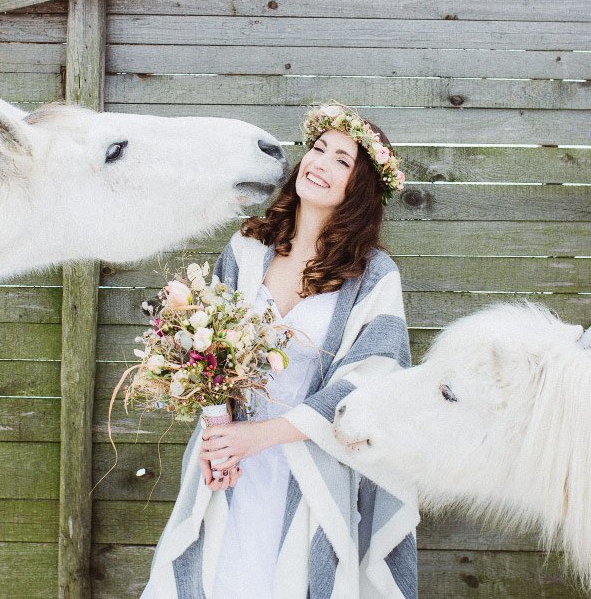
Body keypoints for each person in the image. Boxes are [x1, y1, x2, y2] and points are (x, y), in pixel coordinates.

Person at [141, 101, 418, 598]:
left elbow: (373, 379)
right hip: (230, 463)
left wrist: (261, 436)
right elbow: (208, 353)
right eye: (318, 149)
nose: (321, 163)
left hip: (311, 468)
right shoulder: (247, 248)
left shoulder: (375, 276)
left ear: (360, 189)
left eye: (342, 160)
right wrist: (217, 435)